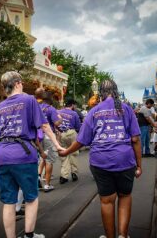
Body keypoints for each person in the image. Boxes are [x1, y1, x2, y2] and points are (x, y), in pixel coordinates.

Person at [0, 71, 64, 238]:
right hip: (23, 154)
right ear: (18, 83)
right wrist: (57, 144)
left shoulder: (0, 107)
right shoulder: (29, 100)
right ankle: (29, 235)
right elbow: (45, 126)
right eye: (22, 83)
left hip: (3, 155)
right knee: (31, 198)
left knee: (8, 202)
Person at [59, 79, 142, 238]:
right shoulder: (126, 109)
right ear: (116, 91)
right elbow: (135, 139)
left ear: (101, 94)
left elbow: (81, 140)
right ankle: (123, 235)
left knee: (106, 201)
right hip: (125, 161)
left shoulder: (94, 111)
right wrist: (139, 166)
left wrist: (65, 152)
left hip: (100, 162)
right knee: (124, 197)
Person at [35, 88, 62, 192]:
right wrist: (60, 119)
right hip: (48, 135)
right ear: (50, 100)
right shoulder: (51, 109)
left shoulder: (37, 107)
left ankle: (38, 177)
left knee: (42, 158)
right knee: (49, 160)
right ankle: (47, 184)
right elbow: (56, 123)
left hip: (38, 135)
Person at [58, 99, 81, 184]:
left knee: (64, 154)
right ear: (72, 105)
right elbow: (78, 126)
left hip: (61, 133)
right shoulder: (74, 113)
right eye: (74, 105)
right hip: (71, 132)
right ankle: (74, 173)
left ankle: (64, 176)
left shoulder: (58, 111)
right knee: (73, 153)